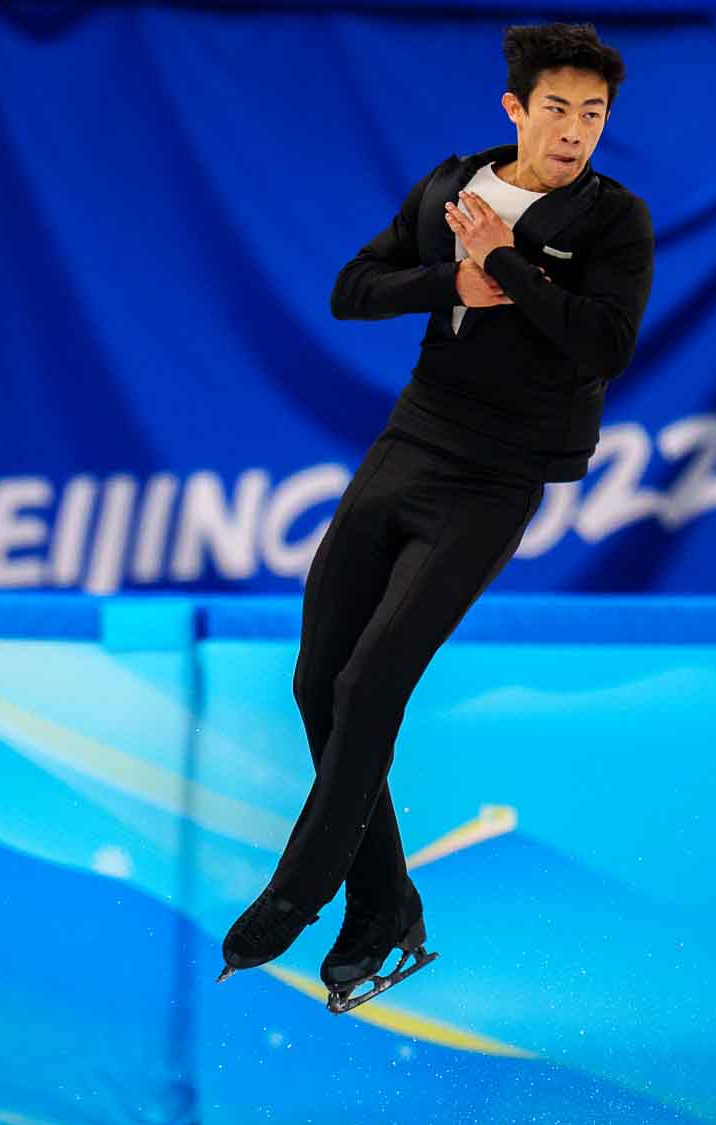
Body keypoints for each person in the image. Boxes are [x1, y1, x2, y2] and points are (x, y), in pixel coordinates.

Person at [218, 21, 654, 1012]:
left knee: (373, 679)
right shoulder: (451, 187)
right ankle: (387, 903)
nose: (575, 129)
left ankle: (300, 892)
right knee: (316, 680)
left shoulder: (613, 220)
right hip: (410, 443)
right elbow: (350, 290)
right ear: (516, 109)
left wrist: (506, 265)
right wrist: (449, 277)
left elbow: (601, 346)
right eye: (558, 109)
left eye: (594, 114)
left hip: (499, 476)